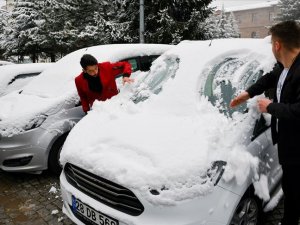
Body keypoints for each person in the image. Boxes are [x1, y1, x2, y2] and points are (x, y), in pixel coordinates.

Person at [230, 20, 300, 225]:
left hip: (298, 148)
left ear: (277, 45)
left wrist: (269, 107)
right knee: (291, 189)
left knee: (295, 192)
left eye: (272, 45)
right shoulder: (286, 66)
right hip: (288, 144)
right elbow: (270, 78)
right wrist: (248, 92)